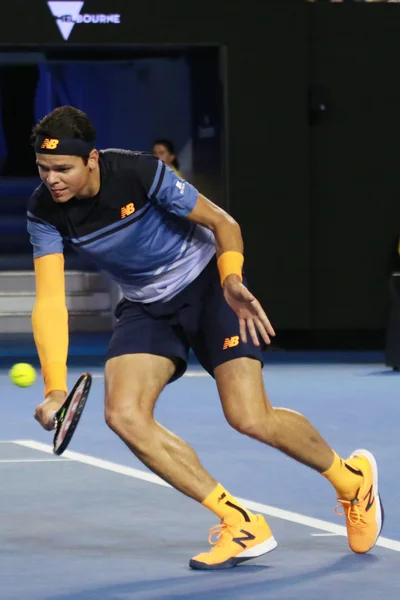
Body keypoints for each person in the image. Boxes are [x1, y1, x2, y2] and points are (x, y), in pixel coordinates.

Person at [29, 106, 383, 570]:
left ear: (92, 159)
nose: (52, 179)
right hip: (145, 306)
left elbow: (223, 223)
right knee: (124, 414)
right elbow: (50, 301)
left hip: (208, 287)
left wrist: (232, 277)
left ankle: (352, 479)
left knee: (250, 417)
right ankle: (240, 522)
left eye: (62, 168)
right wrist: (55, 386)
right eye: (43, 168)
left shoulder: (140, 173)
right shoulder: (44, 211)